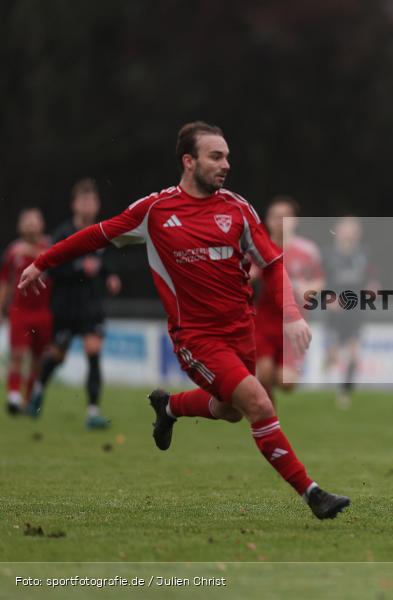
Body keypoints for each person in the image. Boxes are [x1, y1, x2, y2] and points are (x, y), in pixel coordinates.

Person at [19, 121, 349, 519]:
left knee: (231, 410)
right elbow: (95, 235)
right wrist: (43, 262)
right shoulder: (154, 211)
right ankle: (313, 494)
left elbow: (273, 263)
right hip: (196, 337)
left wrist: (291, 316)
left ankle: (170, 407)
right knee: (259, 402)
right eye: (216, 156)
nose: (226, 164)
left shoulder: (238, 209)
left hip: (240, 331)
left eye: (227, 156)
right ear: (189, 161)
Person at [28, 179, 121, 428]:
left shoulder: (103, 232)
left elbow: (105, 263)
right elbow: (51, 269)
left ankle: (93, 413)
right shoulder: (63, 234)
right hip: (66, 306)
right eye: (84, 200)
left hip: (91, 306)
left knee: (93, 352)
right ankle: (37, 390)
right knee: (57, 356)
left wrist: (110, 277)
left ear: (98, 204)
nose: (88, 205)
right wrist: (79, 268)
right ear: (74, 204)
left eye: (92, 200)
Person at [252, 197, 324, 402]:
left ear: (295, 220)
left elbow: (319, 280)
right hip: (265, 322)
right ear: (267, 219)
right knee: (264, 373)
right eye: (275, 216)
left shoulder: (307, 250)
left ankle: (264, 395)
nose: (280, 221)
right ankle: (267, 415)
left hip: (293, 325)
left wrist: (308, 289)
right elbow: (247, 274)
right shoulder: (259, 248)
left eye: (285, 216)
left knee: (287, 382)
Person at [1, 208, 53, 415]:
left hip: (43, 312)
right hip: (20, 311)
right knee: (18, 353)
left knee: (38, 359)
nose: (31, 225)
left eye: (34, 221)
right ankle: (14, 397)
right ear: (20, 226)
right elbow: (5, 282)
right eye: (27, 222)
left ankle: (29, 399)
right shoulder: (14, 251)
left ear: (42, 224)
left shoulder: (50, 248)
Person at [321, 216, 375, 410]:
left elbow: (371, 278)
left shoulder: (364, 254)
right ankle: (328, 360)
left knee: (353, 353)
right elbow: (320, 280)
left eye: (354, 229)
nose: (350, 233)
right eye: (347, 228)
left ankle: (344, 392)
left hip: (355, 310)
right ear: (338, 230)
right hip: (335, 311)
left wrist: (372, 289)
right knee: (333, 354)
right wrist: (328, 298)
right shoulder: (328, 254)